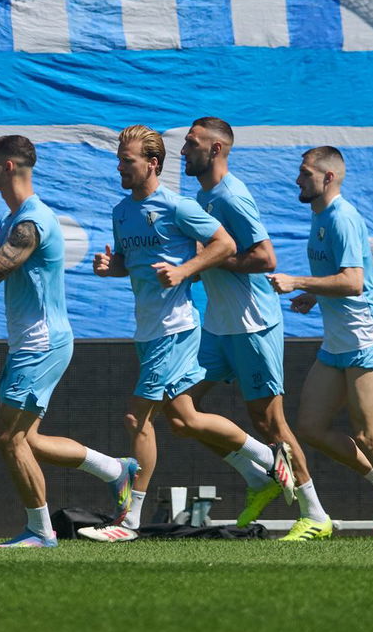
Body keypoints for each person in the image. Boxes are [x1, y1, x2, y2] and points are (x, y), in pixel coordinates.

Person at [0, 134, 139, 548]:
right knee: (27, 440)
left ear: (9, 166)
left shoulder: (31, 222)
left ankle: (40, 530)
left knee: (8, 438)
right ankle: (114, 470)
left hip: (41, 343)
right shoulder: (10, 221)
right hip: (32, 343)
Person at [85, 125, 261, 542]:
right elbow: (130, 263)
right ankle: (265, 458)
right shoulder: (121, 211)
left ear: (153, 163)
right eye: (119, 160)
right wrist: (112, 269)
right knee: (184, 418)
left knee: (136, 417)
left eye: (127, 161)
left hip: (174, 328)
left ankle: (128, 522)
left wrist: (183, 271)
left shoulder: (177, 206)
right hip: (146, 331)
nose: (120, 168)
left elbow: (225, 245)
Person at [179, 118, 337, 538]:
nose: (182, 150)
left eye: (191, 143)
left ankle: (316, 515)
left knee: (270, 425)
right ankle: (259, 476)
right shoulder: (203, 195)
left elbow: (266, 259)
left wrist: (212, 258)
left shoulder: (232, 195)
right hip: (217, 324)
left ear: (215, 150)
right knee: (178, 411)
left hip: (252, 323)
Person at [267, 147, 373, 542]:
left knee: (369, 436)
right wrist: (316, 296)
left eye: (305, 174)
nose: (298, 180)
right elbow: (339, 280)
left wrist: (300, 283)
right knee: (309, 426)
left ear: (328, 177)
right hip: (338, 342)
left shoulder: (342, 217)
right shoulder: (320, 216)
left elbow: (354, 282)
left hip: (365, 340)